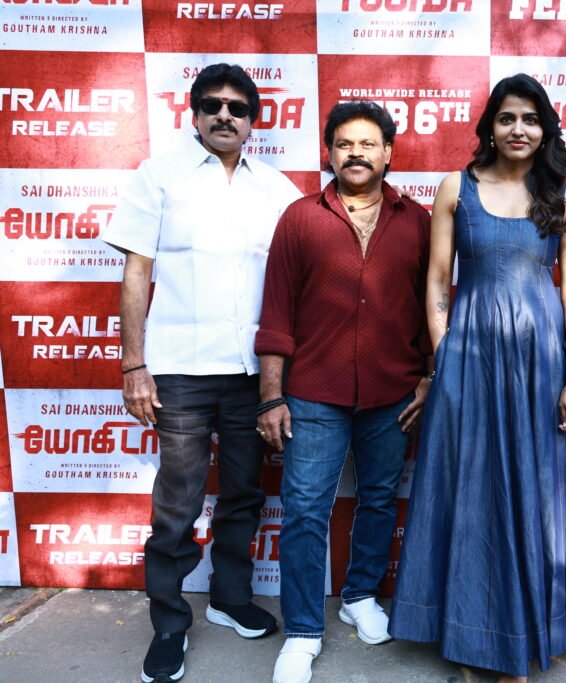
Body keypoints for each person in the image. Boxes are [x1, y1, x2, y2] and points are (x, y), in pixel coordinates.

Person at [101, 63, 302, 683]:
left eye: (237, 107)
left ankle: (229, 598)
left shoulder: (276, 190)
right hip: (180, 371)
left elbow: (295, 279)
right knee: (178, 504)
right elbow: (136, 273)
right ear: (193, 113)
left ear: (253, 121)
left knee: (244, 493)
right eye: (212, 104)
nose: (224, 115)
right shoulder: (158, 175)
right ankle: (169, 624)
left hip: (250, 373)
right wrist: (134, 364)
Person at [387, 73, 566, 682]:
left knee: (534, 492)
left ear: (544, 129)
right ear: (490, 127)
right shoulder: (457, 187)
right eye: (507, 118)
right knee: (471, 491)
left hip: (539, 362)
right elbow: (436, 279)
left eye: (530, 119)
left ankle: (520, 637)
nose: (518, 129)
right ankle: (472, 636)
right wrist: (445, 355)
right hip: (469, 355)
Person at [254, 101, 433, 683]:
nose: (356, 153)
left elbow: (434, 307)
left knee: (379, 499)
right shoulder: (300, 218)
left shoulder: (418, 221)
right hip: (313, 391)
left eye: (368, 143)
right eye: (344, 144)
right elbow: (276, 313)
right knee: (305, 510)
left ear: (389, 153)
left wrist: (429, 377)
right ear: (329, 152)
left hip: (393, 391)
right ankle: (304, 631)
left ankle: (359, 596)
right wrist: (272, 396)